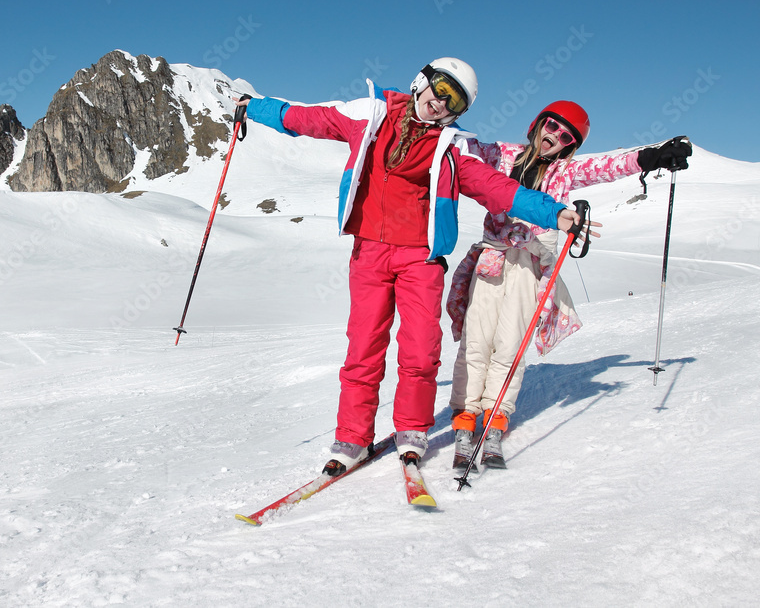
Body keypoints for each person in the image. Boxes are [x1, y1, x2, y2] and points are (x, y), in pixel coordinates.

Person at [236, 60, 591, 476]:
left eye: (453, 100)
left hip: (420, 259)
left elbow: (499, 189)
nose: (440, 103)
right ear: (422, 81)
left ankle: (412, 431)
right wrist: (252, 108)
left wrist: (554, 214)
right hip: (369, 252)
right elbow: (305, 118)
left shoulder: (450, 149)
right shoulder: (370, 114)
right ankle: (352, 437)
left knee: (421, 351)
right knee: (364, 347)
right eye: (440, 88)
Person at [445, 101, 692, 468]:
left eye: (565, 137)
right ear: (538, 124)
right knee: (476, 342)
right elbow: (463, 147)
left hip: (530, 265)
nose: (554, 137)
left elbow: (608, 166)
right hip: (493, 258)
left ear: (569, 146)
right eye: (552, 127)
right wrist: (444, 122)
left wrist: (653, 157)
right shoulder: (501, 155)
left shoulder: (566, 172)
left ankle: (496, 419)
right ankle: (465, 417)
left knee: (509, 346)